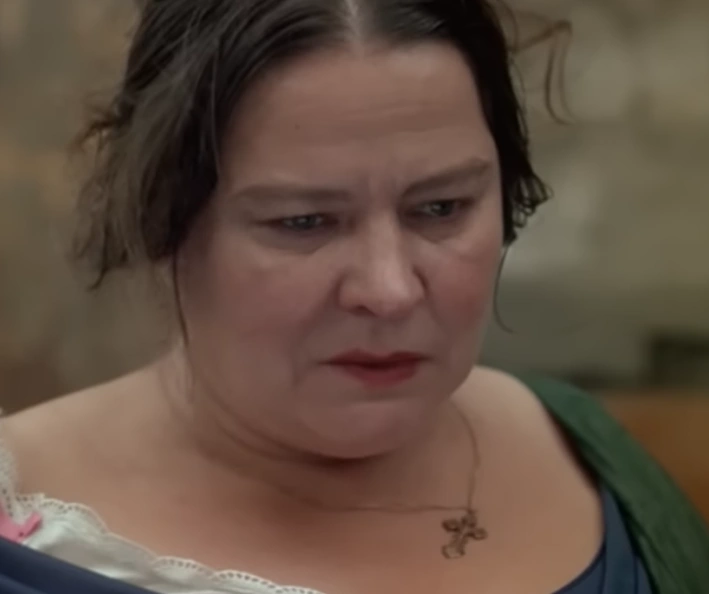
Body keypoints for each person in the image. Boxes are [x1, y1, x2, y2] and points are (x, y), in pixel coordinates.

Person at [0, 1, 707, 593]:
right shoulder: (32, 542)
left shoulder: (594, 461)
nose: (389, 290)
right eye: (304, 222)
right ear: (164, 220)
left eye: (441, 208)